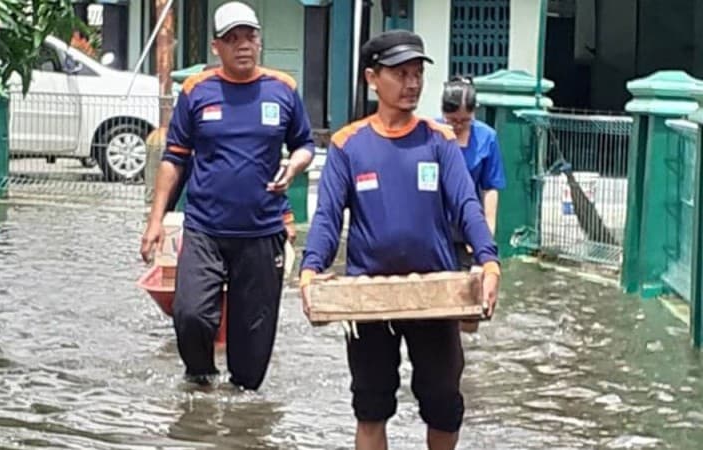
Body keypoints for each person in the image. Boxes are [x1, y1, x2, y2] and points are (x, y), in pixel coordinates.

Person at [298, 30, 501, 450]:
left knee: (444, 403)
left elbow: (467, 204)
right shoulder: (347, 144)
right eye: (400, 74)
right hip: (368, 297)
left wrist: (489, 259)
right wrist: (311, 269)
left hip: (436, 293)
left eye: (416, 74)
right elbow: (328, 216)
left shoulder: (438, 140)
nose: (412, 84)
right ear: (373, 79)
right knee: (371, 406)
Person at [140, 0, 315, 391]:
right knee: (190, 316)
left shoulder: (282, 89)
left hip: (261, 231)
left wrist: (295, 165)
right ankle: (199, 382)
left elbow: (305, 144)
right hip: (205, 230)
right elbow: (174, 159)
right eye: (232, 39)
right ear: (216, 47)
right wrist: (155, 222)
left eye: (250, 37)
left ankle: (242, 415)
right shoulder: (197, 90)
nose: (243, 46)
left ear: (259, 41)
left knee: (252, 349)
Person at [440, 76, 506, 333]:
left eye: (464, 121)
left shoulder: (486, 138)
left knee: (470, 307)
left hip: (469, 227)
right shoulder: (432, 133)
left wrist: (486, 231)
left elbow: (491, 187)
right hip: (437, 228)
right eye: (452, 120)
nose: (457, 126)